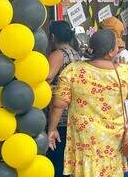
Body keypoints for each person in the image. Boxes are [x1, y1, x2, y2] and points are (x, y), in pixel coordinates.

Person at [48, 29, 128, 177]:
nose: (119, 49)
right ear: (110, 52)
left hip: (84, 137)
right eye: (117, 46)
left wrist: (52, 129)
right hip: (113, 139)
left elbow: (59, 104)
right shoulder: (123, 72)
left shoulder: (73, 70)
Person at [101, 16, 128, 177]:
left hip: (123, 118)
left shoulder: (122, 59)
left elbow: (127, 91)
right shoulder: (122, 57)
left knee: (124, 161)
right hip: (125, 117)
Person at [46, 21, 80, 177]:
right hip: (73, 112)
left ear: (52, 37)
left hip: (59, 114)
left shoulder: (58, 54)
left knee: (57, 159)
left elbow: (47, 78)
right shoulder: (75, 53)